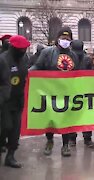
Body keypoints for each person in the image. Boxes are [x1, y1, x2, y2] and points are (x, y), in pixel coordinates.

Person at [30, 26, 80, 157]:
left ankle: (65, 145)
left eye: (68, 38)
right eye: (63, 38)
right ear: (57, 39)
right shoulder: (47, 52)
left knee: (66, 119)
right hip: (50, 92)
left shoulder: (73, 55)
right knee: (50, 119)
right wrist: (28, 72)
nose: (65, 40)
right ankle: (49, 141)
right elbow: (38, 66)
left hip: (67, 92)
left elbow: (79, 73)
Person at [0, 35, 30, 168]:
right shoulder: (3, 60)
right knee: (6, 127)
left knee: (15, 131)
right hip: (4, 101)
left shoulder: (24, 59)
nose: (23, 51)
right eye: (21, 49)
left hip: (18, 100)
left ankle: (10, 156)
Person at [68, 40, 94, 148]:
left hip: (79, 90)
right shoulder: (85, 58)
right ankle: (84, 139)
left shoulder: (75, 58)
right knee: (82, 115)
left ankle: (76, 139)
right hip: (81, 90)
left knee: (76, 115)